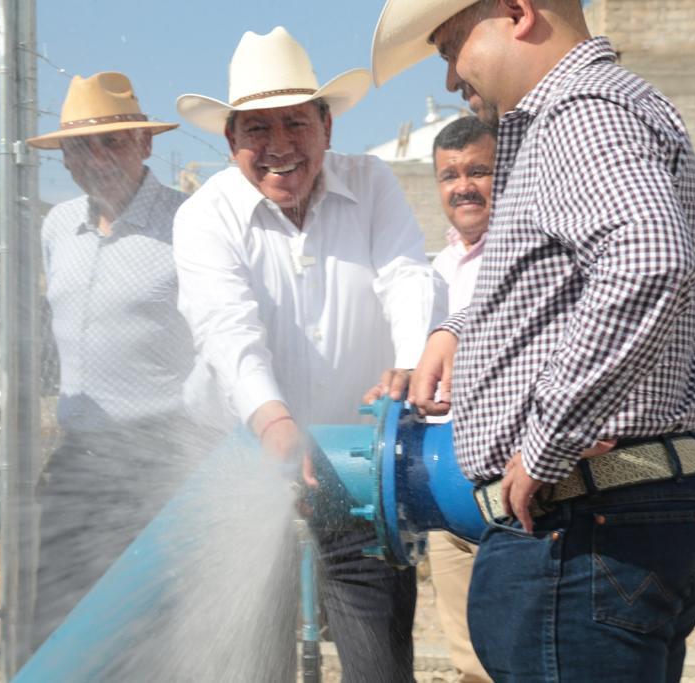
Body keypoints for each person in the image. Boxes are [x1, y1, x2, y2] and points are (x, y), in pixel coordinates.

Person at [371, 1, 695, 681]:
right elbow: (562, 282)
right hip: (607, 517)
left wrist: (545, 441)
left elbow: (647, 259)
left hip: (580, 521)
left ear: (516, 12)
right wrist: (460, 329)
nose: (449, 78)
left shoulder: (579, 112)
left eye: (450, 46)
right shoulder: (600, 109)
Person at [173, 27, 447, 682]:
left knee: (379, 668)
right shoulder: (204, 216)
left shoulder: (371, 181)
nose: (278, 147)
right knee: (249, 665)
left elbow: (408, 274)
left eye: (296, 122)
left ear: (326, 125)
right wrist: (274, 425)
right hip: (243, 463)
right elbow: (226, 328)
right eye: (256, 129)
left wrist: (413, 361)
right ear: (229, 140)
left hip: (357, 473)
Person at [24, 72, 199, 654]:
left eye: (112, 141)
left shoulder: (188, 224)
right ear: (65, 160)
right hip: (79, 454)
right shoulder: (57, 227)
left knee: (149, 627)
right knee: (58, 620)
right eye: (80, 146)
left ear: (145, 144)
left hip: (159, 455)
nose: (95, 157)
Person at [428, 115, 495, 683]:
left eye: (478, 170)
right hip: (442, 481)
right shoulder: (437, 268)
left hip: (514, 480)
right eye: (449, 175)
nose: (463, 186)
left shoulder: (523, 255)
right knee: (468, 659)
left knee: (522, 649)